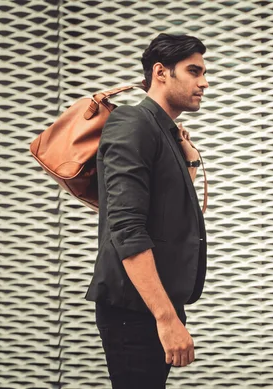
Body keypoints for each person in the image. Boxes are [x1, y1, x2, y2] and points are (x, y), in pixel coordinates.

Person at [84, 33, 209, 388]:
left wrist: (190, 164)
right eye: (194, 71)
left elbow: (166, 212)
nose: (204, 81)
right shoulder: (133, 123)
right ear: (161, 72)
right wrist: (166, 318)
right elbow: (126, 229)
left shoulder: (162, 131)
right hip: (135, 310)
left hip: (153, 305)